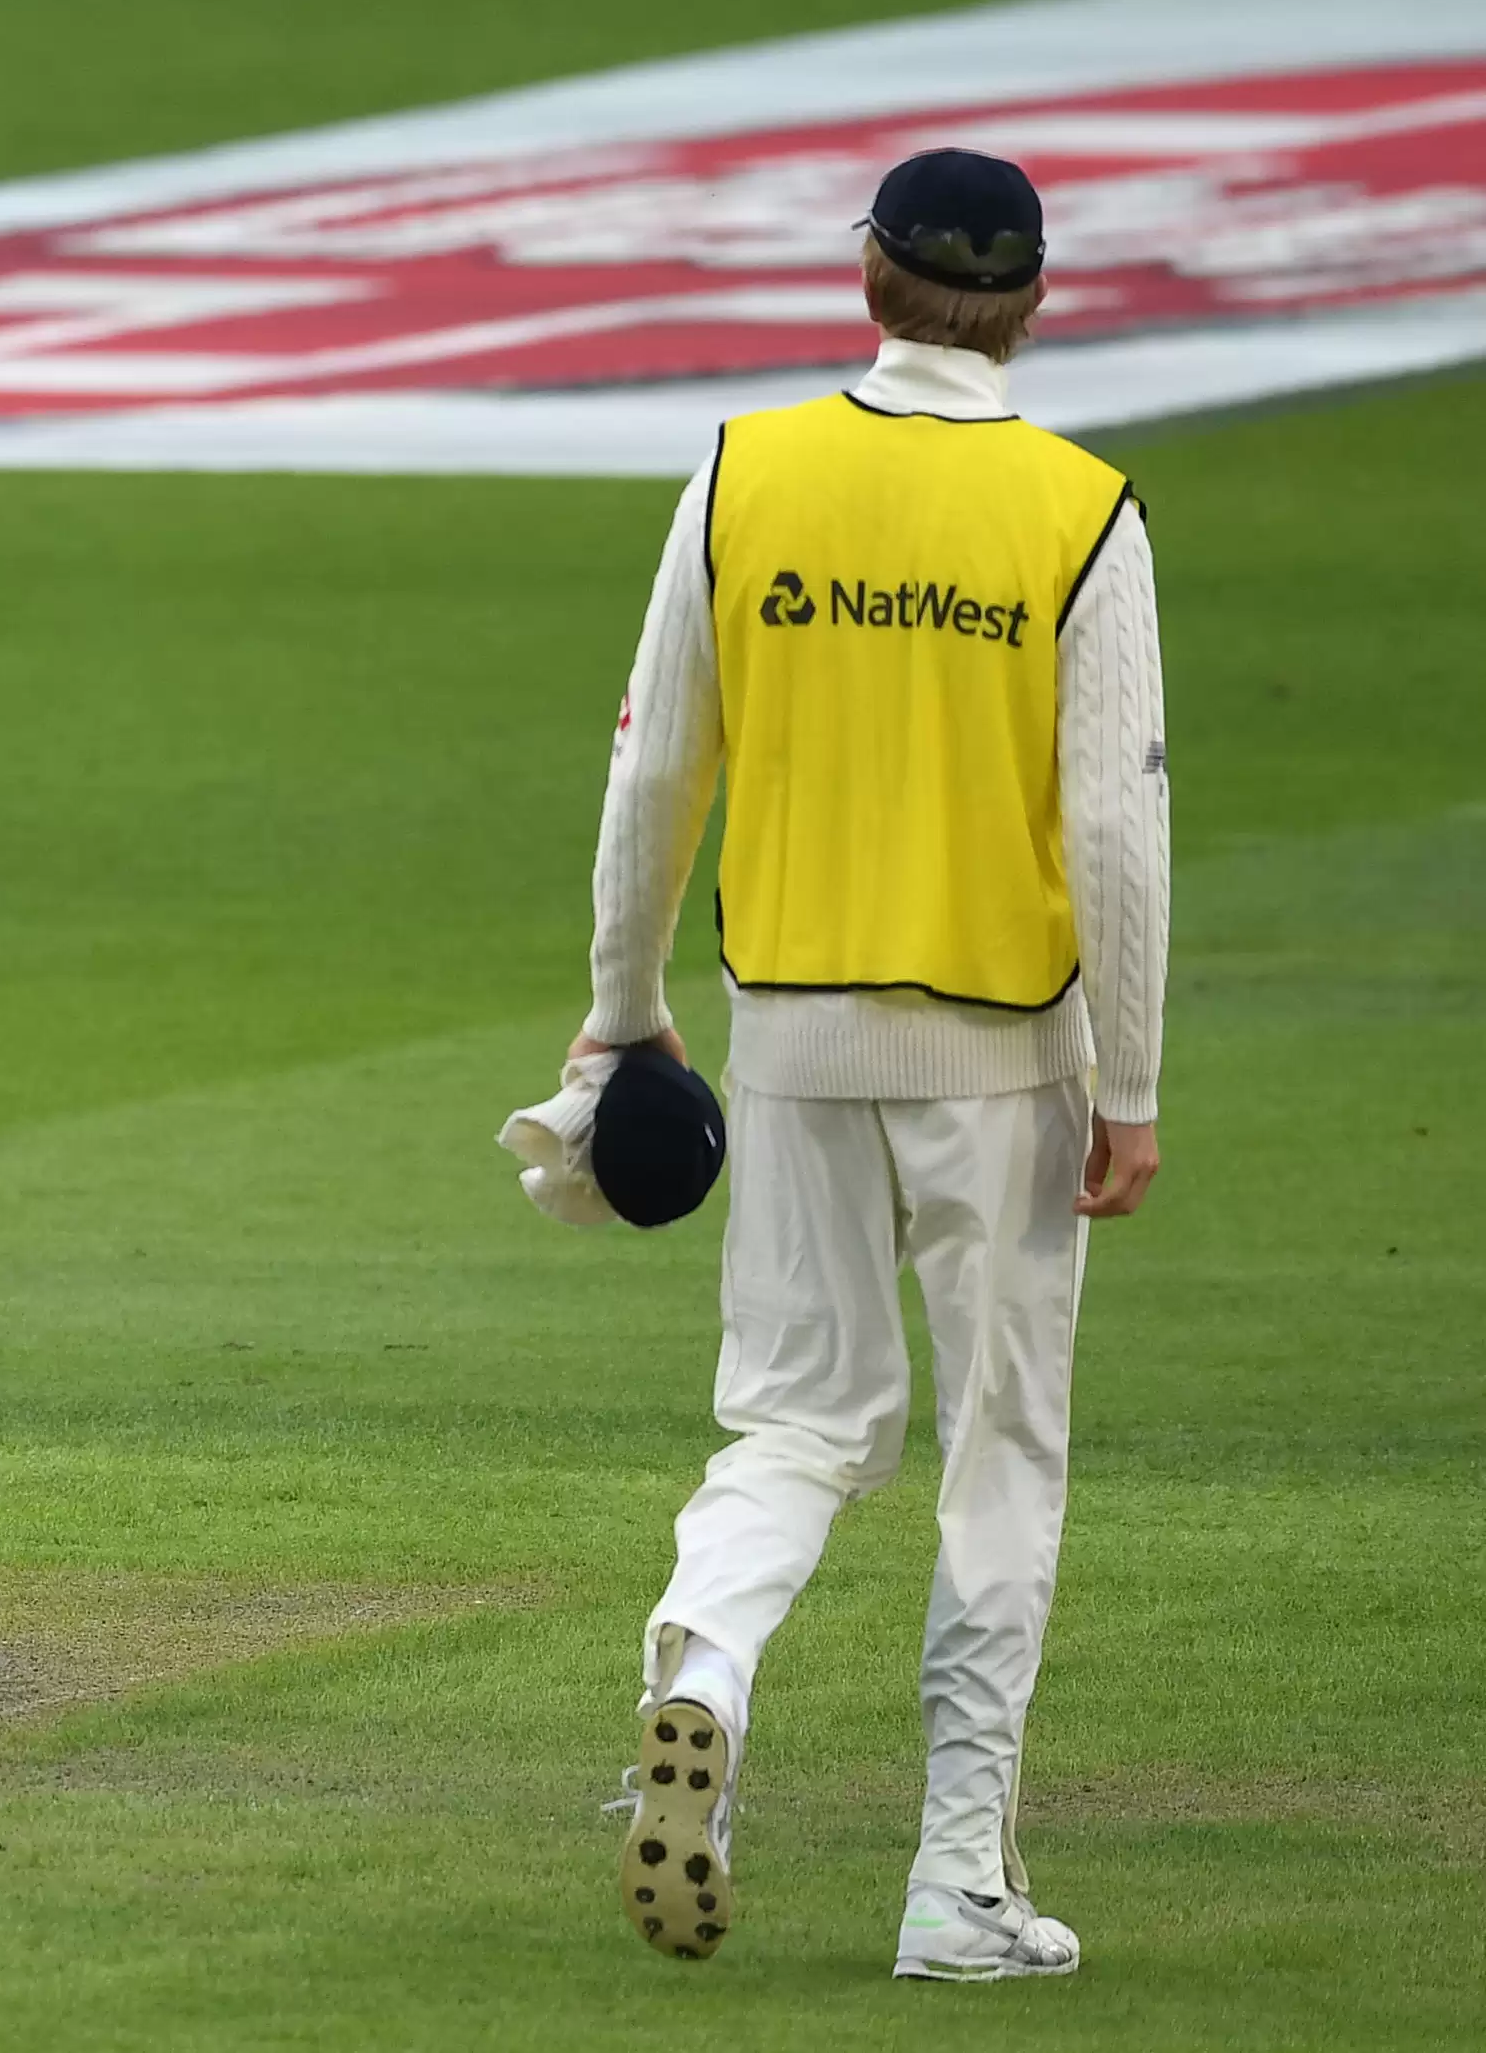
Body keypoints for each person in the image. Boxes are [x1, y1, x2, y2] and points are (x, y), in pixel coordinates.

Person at [573, 148, 1166, 1983]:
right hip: (1008, 1047)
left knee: (795, 1415)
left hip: (793, 1022)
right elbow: (1118, 832)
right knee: (998, 1450)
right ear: (1034, 298)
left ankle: (707, 1674)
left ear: (871, 280)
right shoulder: (1080, 510)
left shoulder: (748, 469)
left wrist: (621, 1006)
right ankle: (957, 1884)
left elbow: (656, 764)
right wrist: (1130, 1080)